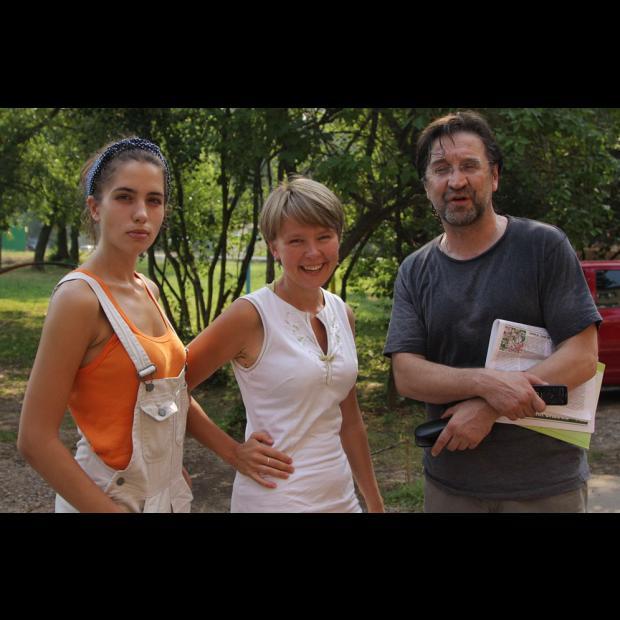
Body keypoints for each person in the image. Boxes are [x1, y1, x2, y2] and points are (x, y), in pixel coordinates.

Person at [17, 137, 278, 512]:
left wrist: (228, 454)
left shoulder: (148, 289)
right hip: (107, 497)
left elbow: (172, 394)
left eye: (154, 200)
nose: (141, 213)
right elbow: (34, 439)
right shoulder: (80, 299)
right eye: (125, 197)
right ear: (95, 207)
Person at [383, 111, 601, 513]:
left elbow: (583, 357)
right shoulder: (415, 270)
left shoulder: (543, 246)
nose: (456, 181)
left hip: (546, 487)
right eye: (441, 169)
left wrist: (489, 407)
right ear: (427, 186)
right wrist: (487, 383)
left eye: (470, 165)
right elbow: (407, 374)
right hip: (451, 486)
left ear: (494, 176)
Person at [186, 176, 384, 513]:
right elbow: (168, 387)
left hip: (341, 499)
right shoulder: (251, 315)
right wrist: (233, 452)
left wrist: (375, 502)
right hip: (275, 499)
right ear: (274, 247)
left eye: (324, 237)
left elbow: (350, 421)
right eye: (296, 241)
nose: (313, 252)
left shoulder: (342, 313)